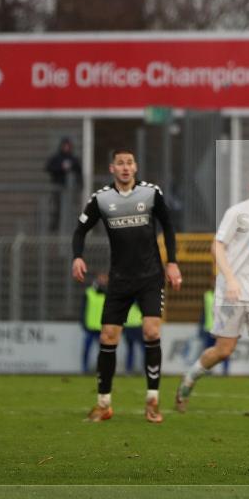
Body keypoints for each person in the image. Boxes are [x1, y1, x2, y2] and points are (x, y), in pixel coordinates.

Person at [72, 148, 183, 424]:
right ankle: (103, 403)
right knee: (108, 336)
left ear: (135, 167)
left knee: (150, 330)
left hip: (150, 276)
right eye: (120, 163)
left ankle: (153, 401)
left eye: (129, 162)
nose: (125, 167)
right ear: (112, 168)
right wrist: (77, 257)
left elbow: (168, 227)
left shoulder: (150, 193)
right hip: (119, 279)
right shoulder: (102, 198)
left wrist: (172, 263)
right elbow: (80, 230)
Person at [175, 167, 249, 416]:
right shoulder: (237, 213)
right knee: (224, 350)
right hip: (231, 289)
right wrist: (230, 279)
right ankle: (189, 379)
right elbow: (217, 247)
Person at [45, 137, 82, 232]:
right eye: (64, 146)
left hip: (70, 190)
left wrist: (80, 185)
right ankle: (55, 226)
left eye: (68, 146)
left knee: (70, 208)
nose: (66, 148)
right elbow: (48, 167)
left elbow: (78, 172)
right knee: (57, 207)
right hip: (58, 187)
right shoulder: (57, 158)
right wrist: (61, 168)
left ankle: (72, 226)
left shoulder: (73, 159)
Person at [80, 273, 108, 373]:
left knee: (104, 351)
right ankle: (84, 368)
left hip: (102, 328)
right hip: (90, 328)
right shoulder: (89, 292)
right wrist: (83, 323)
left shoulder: (108, 294)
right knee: (87, 349)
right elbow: (83, 310)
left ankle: (101, 369)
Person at [200, 289, 230, 376]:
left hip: (222, 329)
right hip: (209, 328)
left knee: (225, 350)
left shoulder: (226, 295)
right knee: (208, 350)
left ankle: (225, 371)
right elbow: (203, 312)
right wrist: (201, 326)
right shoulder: (207, 295)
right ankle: (207, 370)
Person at [123, 302, 144, 373]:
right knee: (142, 349)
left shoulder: (126, 299)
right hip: (137, 326)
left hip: (129, 326)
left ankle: (129, 369)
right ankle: (145, 369)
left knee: (130, 350)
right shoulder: (139, 299)